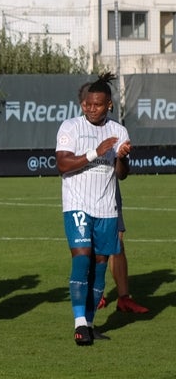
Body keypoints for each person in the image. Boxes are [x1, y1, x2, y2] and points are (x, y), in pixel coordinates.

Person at [55, 74, 132, 345]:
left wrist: (121, 158)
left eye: (97, 104)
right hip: (77, 203)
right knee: (82, 257)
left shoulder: (119, 131)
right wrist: (95, 152)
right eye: (87, 104)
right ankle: (78, 324)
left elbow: (122, 174)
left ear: (109, 104)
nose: (90, 108)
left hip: (106, 207)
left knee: (100, 265)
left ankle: (89, 323)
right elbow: (62, 164)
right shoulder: (71, 127)